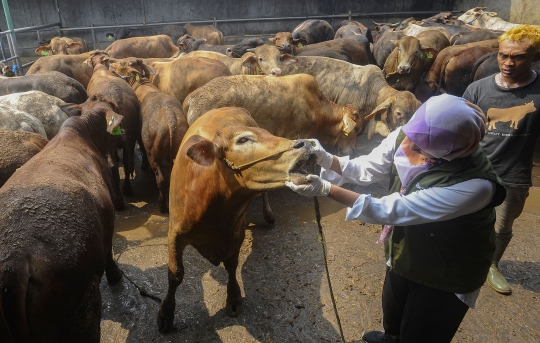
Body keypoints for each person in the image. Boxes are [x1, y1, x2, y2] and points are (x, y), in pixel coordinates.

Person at [286, 94, 506, 343]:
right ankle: (390, 337)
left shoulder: (475, 186)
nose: (409, 148)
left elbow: (391, 210)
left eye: (422, 148)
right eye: (412, 137)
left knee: (422, 333)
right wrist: (325, 158)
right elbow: (368, 168)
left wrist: (326, 189)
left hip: (447, 268)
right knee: (394, 305)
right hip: (407, 248)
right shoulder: (410, 134)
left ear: (454, 149)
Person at [463, 24, 540, 295]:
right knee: (463, 215)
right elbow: (462, 128)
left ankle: (492, 265)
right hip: (474, 168)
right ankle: (462, 256)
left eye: (517, 57)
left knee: (503, 223)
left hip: (514, 172)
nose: (508, 62)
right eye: (503, 55)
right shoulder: (478, 89)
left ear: (535, 57)